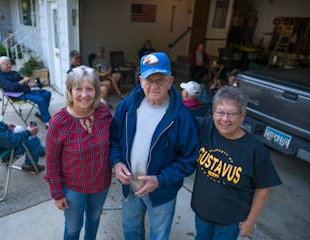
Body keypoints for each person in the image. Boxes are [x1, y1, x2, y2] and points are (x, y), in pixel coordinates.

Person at [110, 52, 199, 240]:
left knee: (159, 235)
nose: (154, 85)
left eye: (160, 79)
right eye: (149, 79)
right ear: (140, 80)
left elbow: (189, 160)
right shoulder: (127, 106)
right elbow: (114, 140)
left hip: (162, 192)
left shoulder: (183, 117)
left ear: (170, 81)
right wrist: (117, 162)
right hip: (130, 186)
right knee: (131, 230)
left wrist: (160, 180)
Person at [191, 86, 282, 240]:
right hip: (202, 213)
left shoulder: (255, 150)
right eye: (220, 112)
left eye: (232, 113)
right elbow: (176, 118)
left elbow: (263, 189)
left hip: (230, 222)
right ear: (213, 113)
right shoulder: (205, 128)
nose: (225, 119)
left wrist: (251, 221)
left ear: (242, 116)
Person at [45, 65, 112, 240]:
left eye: (89, 89)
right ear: (70, 91)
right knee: (74, 228)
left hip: (101, 183)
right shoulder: (58, 123)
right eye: (78, 89)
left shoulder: (103, 112)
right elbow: (51, 163)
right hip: (74, 188)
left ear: (96, 91)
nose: (84, 94)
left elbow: (115, 143)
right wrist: (57, 193)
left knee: (94, 220)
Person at [0, 56, 52, 127]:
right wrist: (23, 81)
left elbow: (25, 82)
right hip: (18, 95)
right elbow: (11, 87)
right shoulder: (0, 76)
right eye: (7, 64)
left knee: (47, 93)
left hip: (26, 91)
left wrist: (34, 84)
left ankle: (41, 113)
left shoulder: (13, 72)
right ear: (0, 65)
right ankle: (48, 122)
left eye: (10, 64)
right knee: (40, 100)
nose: (10, 66)